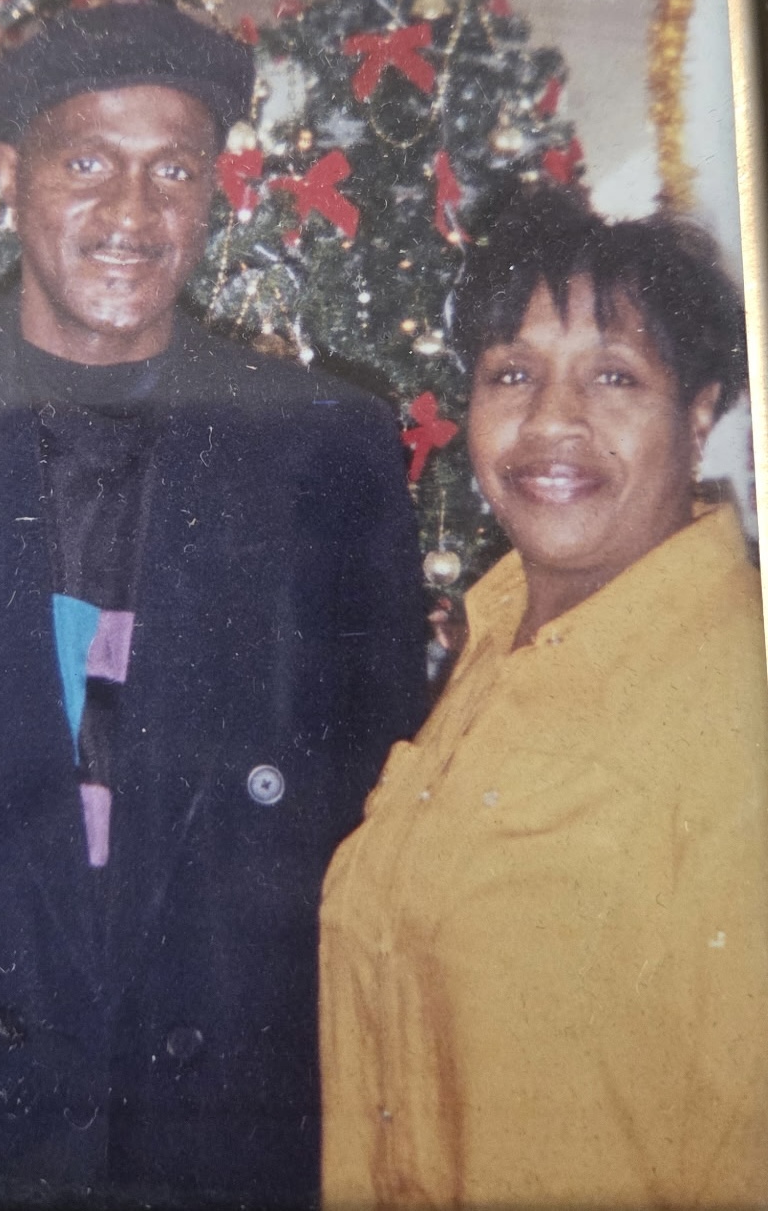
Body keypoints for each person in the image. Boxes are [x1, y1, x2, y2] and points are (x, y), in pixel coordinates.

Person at [0, 1, 427, 1209]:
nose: (131, 213)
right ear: (7, 174)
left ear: (215, 191)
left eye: (173, 170)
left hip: (215, 1141)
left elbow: (368, 836)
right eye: (88, 162)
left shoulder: (328, 447)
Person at [319, 184, 768, 1209]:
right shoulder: (489, 642)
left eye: (614, 377)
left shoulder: (736, 698)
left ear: (698, 412)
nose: (550, 421)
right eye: (511, 373)